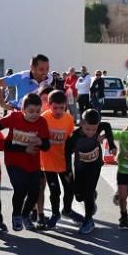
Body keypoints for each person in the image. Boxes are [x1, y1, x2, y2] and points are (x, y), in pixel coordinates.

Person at [0, 92, 51, 231]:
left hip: (33, 163)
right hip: (13, 161)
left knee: (35, 191)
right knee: (20, 188)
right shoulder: (14, 117)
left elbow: (46, 146)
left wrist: (41, 142)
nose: (34, 114)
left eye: (37, 111)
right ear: (22, 110)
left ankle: (25, 214)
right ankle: (16, 215)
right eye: (31, 111)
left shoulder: (41, 122)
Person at [64, 109, 117, 234]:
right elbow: (66, 153)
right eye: (88, 129)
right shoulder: (74, 136)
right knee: (78, 196)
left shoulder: (98, 128)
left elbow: (107, 126)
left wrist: (112, 144)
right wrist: (68, 171)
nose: (91, 132)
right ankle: (92, 196)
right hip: (80, 166)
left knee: (87, 193)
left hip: (95, 166)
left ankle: (88, 221)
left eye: (94, 129)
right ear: (81, 123)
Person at [39, 90, 77, 228]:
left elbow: (70, 139)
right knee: (55, 191)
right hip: (48, 162)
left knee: (69, 188)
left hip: (64, 161)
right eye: (55, 107)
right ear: (49, 105)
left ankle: (67, 210)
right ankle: (55, 213)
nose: (58, 111)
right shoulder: (43, 118)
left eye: (62, 107)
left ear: (66, 105)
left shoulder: (69, 119)